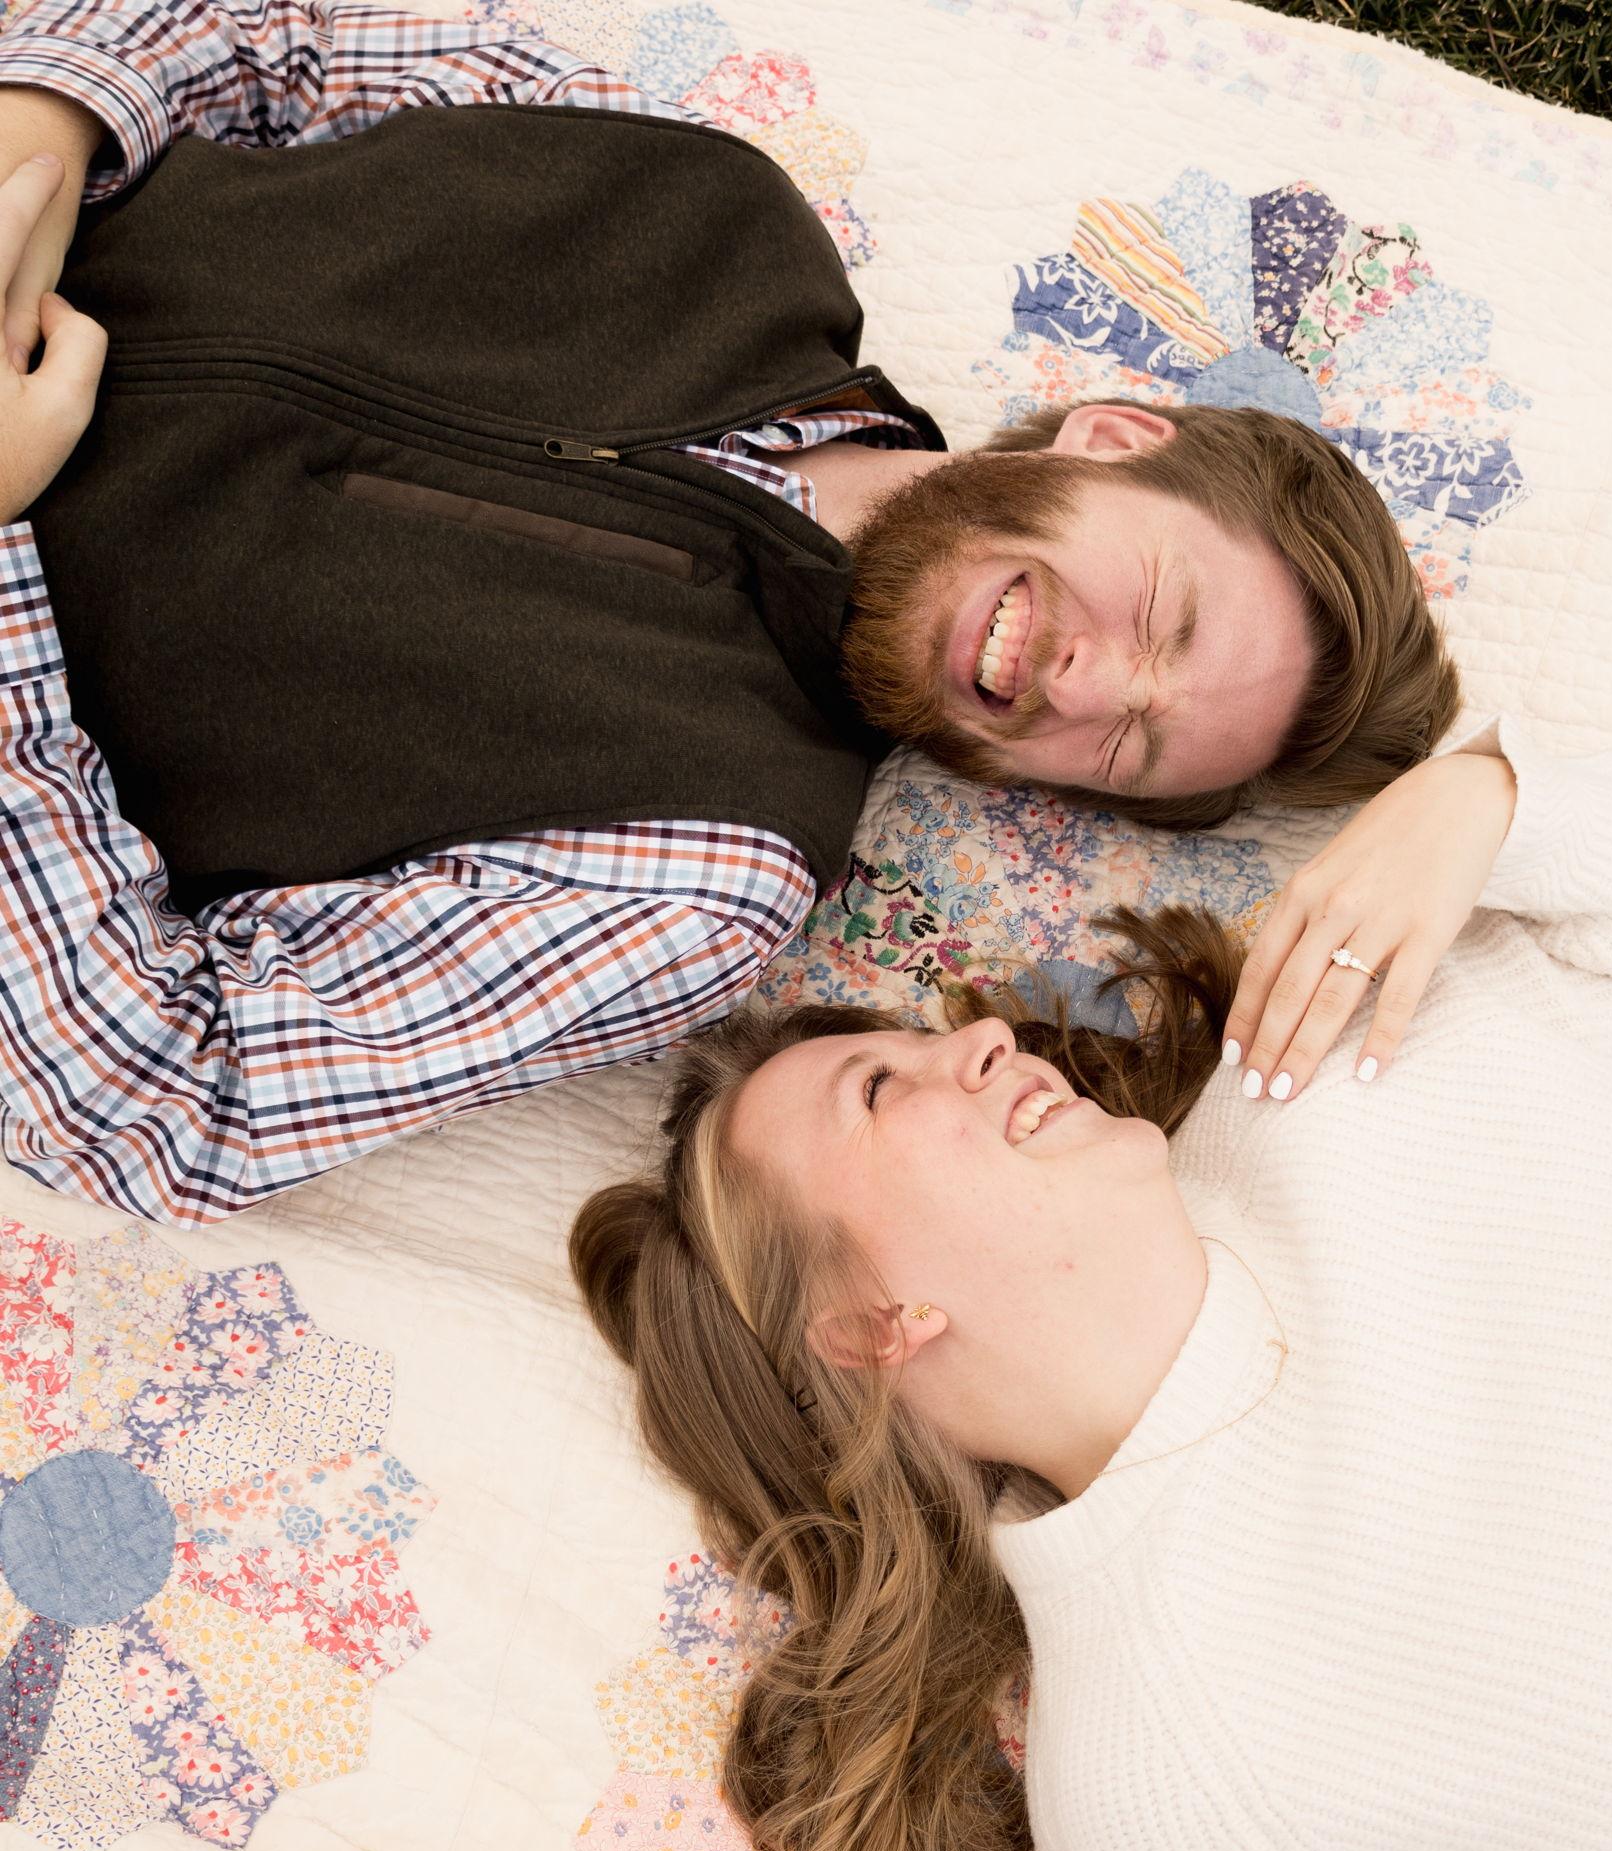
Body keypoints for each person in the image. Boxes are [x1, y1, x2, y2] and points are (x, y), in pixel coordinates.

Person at [572, 707, 1612, 1851]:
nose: (977, 1045)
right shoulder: (1170, 1785)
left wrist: (1484, 802)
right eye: (882, 1089)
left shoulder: (1327, 1072)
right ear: (866, 1324)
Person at [0, 0, 1457, 1225]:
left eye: (1130, 748)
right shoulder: (717, 210)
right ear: (1115, 439)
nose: (1087, 685)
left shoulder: (707, 872)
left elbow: (161, 1099)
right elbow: (271, 30)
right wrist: (48, 121)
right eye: (1164, 617)